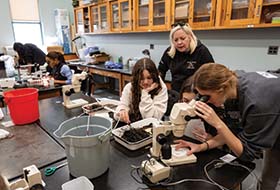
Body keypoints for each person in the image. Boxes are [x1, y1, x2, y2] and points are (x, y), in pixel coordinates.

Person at [175, 63, 280, 190]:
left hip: (272, 113)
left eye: (207, 97)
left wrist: (217, 123)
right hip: (272, 114)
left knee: (271, 174)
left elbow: (247, 154)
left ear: (221, 88)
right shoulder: (232, 84)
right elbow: (231, 134)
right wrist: (201, 147)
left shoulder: (257, 104)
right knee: (268, 179)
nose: (205, 101)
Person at [158, 22, 214, 92]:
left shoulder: (201, 51)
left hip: (194, 93)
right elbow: (161, 70)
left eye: (182, 38)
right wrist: (159, 87)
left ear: (190, 37)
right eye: (176, 40)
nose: (179, 42)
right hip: (176, 92)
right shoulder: (170, 52)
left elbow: (211, 74)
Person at [114, 58, 168, 124]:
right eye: (141, 78)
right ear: (136, 78)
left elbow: (151, 119)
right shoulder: (130, 87)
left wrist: (145, 93)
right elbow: (122, 105)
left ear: (154, 77)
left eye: (149, 78)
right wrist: (122, 110)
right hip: (135, 123)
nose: (145, 82)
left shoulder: (161, 89)